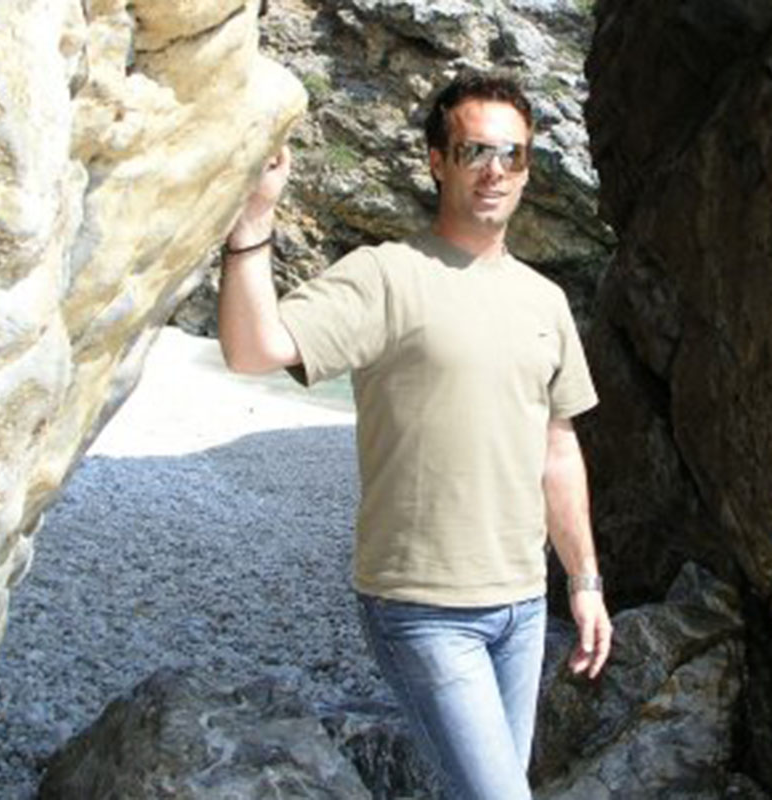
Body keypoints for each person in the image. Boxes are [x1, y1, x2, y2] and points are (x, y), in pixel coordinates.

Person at [217, 71, 612, 799]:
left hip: (524, 607)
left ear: (529, 169)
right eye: (474, 151)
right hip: (422, 608)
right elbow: (252, 349)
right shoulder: (385, 276)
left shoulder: (546, 302)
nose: (495, 171)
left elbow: (558, 450)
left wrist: (583, 581)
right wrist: (252, 225)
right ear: (437, 162)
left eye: (513, 154)